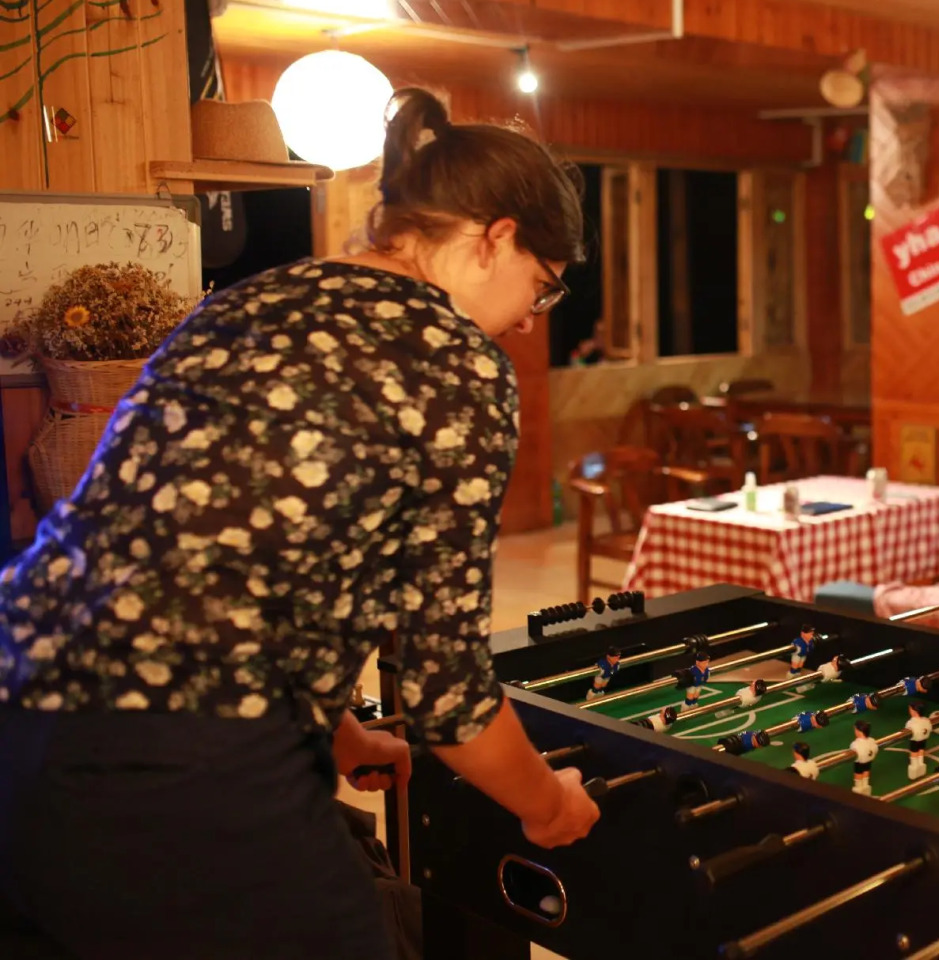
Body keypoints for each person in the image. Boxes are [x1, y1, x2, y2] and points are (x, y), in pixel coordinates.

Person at [0, 88, 601, 960]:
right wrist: (549, 805)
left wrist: (330, 723)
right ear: (495, 239)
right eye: (538, 292)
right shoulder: (456, 360)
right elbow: (447, 695)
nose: (521, 324)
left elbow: (201, 541)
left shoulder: (251, 300)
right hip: (182, 769)